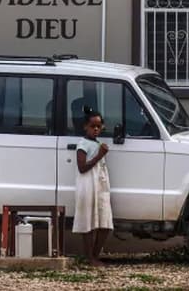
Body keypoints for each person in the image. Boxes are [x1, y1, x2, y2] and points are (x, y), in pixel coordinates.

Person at [72, 111, 113, 266]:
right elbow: (82, 167)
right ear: (85, 127)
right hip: (88, 185)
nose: (96, 129)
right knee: (88, 223)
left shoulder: (97, 144)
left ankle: (95, 255)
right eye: (92, 126)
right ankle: (90, 257)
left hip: (100, 186)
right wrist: (99, 156)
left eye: (98, 126)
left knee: (105, 223)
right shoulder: (83, 144)